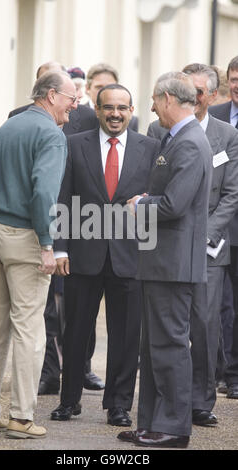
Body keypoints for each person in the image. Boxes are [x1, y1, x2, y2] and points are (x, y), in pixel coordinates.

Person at [0, 71, 77, 439]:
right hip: (26, 238)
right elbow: (44, 194)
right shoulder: (51, 134)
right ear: (50, 95)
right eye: (70, 98)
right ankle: (20, 418)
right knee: (30, 330)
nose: (74, 105)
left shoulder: (8, 126)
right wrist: (47, 244)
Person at [50, 83, 160, 425]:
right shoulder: (74, 144)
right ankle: (69, 401)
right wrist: (61, 247)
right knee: (76, 331)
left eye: (122, 108)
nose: (115, 114)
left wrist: (149, 253)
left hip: (131, 255)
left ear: (131, 111)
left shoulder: (151, 147)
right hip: (83, 253)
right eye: (109, 107)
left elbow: (154, 202)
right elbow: (63, 198)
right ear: (97, 110)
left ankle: (118, 405)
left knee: (126, 334)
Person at [119, 71, 212, 448]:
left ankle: (172, 428)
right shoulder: (178, 138)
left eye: (155, 100)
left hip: (173, 265)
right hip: (163, 262)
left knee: (170, 346)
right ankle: (152, 423)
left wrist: (140, 203)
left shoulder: (189, 142)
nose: (152, 107)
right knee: (154, 346)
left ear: (169, 99)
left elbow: (174, 205)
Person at [147, 64, 238, 425]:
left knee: (203, 325)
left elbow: (231, 194)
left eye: (200, 91)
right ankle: (169, 403)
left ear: (212, 96)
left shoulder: (226, 134)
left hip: (209, 247)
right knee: (170, 329)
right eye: (189, 89)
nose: (194, 96)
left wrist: (204, 235)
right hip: (170, 244)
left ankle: (201, 401)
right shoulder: (160, 128)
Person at [9, 61, 103, 395]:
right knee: (43, 308)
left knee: (79, 304)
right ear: (46, 91)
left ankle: (82, 367)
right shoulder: (18, 117)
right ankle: (49, 373)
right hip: (36, 223)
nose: (74, 101)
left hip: (78, 221)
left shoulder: (87, 117)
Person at [209, 55, 238, 399]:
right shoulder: (213, 117)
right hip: (215, 225)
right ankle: (214, 368)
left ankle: (234, 373)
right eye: (233, 78)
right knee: (211, 302)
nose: (236, 85)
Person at [85, 62, 139, 131]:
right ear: (87, 88)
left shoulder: (130, 121)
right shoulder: (75, 117)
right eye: (99, 87)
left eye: (109, 87)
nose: (104, 92)